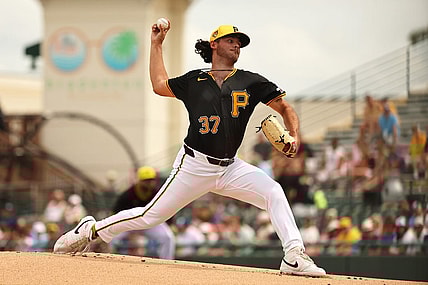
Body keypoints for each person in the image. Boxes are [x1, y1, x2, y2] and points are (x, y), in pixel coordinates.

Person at [53, 23, 326, 277]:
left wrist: (294, 134)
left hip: (231, 167)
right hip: (194, 165)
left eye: (239, 43)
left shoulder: (251, 82)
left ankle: (293, 255)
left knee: (273, 192)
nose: (236, 45)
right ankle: (92, 230)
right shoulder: (194, 81)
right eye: (230, 40)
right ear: (214, 45)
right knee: (150, 216)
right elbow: (159, 85)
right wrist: (156, 44)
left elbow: (285, 108)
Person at [111, 166, 175, 260]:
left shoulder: (156, 193)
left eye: (152, 180)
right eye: (146, 180)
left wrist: (171, 223)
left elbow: (166, 208)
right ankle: (107, 259)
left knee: (167, 237)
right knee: (111, 237)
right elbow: (116, 212)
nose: (150, 183)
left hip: (150, 224)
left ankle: (167, 261)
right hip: (130, 224)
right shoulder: (128, 194)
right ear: (139, 181)